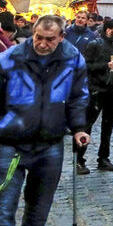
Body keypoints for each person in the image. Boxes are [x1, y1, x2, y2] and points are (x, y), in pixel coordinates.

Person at [0, 15, 90, 226]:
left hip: (49, 144)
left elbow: (79, 96)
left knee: (38, 211)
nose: (42, 43)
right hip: (11, 143)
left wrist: (78, 128)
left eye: (49, 39)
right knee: (4, 209)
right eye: (38, 37)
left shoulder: (73, 58)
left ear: (61, 37)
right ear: (33, 32)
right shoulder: (10, 58)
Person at [76, 17, 113, 173]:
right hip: (96, 90)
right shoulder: (95, 44)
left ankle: (103, 158)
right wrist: (105, 65)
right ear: (109, 30)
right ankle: (80, 160)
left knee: (108, 126)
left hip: (112, 91)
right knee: (87, 126)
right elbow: (85, 65)